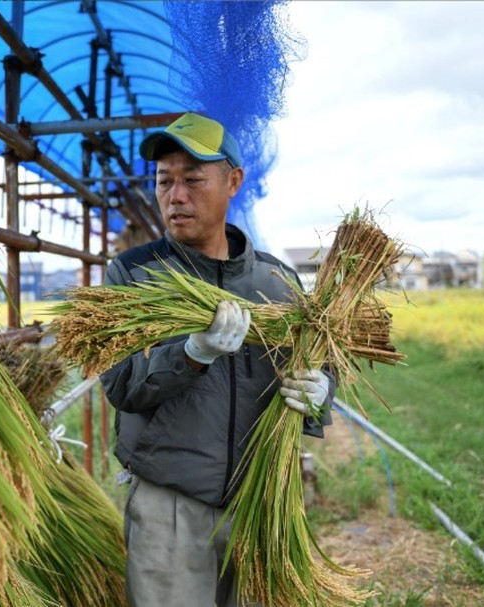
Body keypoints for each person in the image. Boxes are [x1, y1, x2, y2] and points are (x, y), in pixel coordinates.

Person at [100, 112, 335, 607]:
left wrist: (321, 392)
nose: (175, 196)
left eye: (192, 180)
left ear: (233, 182)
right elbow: (120, 386)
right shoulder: (135, 275)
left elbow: (318, 364)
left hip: (261, 501)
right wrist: (190, 355)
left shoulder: (278, 282)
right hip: (171, 507)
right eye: (164, 181)